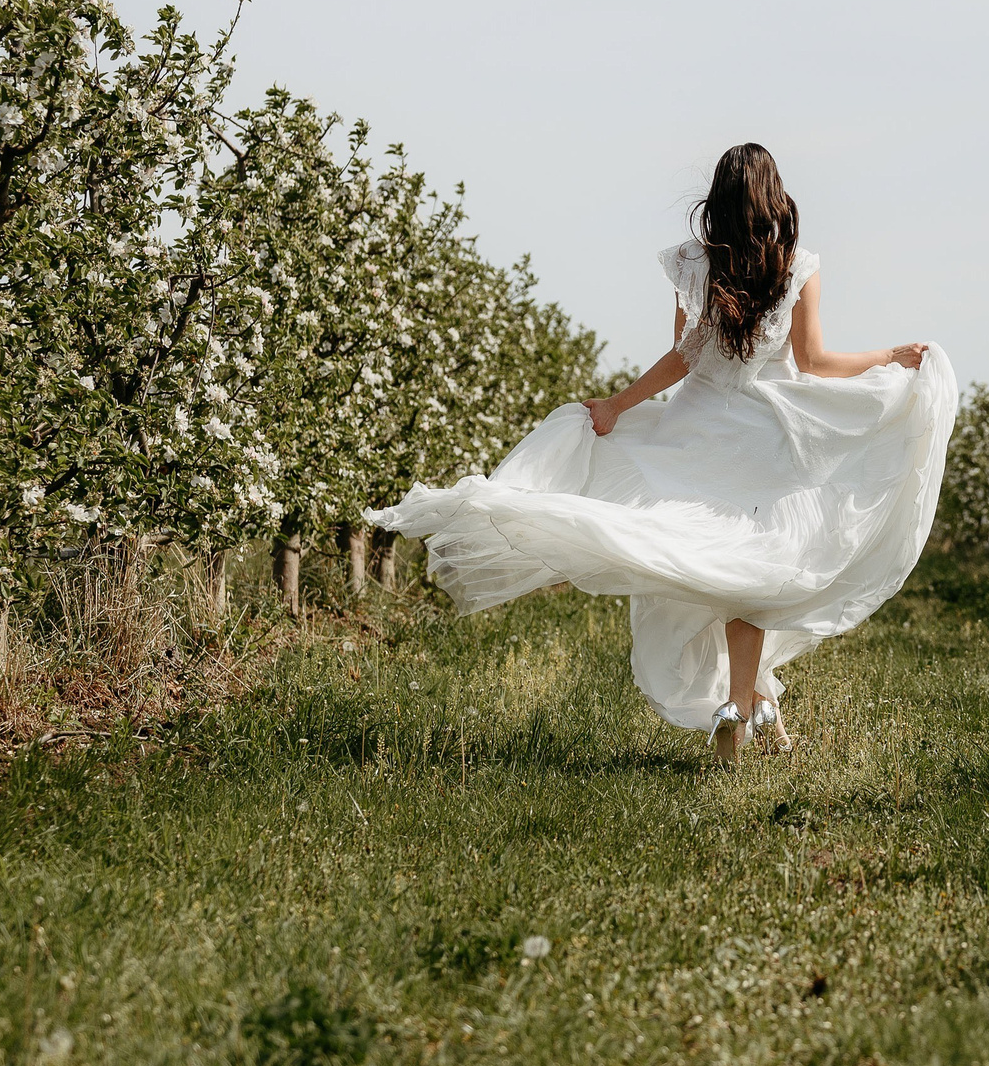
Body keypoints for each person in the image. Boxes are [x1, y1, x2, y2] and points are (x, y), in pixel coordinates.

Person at [367, 143, 957, 758]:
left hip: (696, 432)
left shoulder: (692, 263)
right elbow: (813, 362)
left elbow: (684, 356)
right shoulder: (795, 264)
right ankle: (745, 711)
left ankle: (748, 711)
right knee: (754, 572)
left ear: (719, 199)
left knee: (720, 570)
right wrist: (889, 358)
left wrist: (618, 406)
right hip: (766, 435)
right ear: (773, 195)